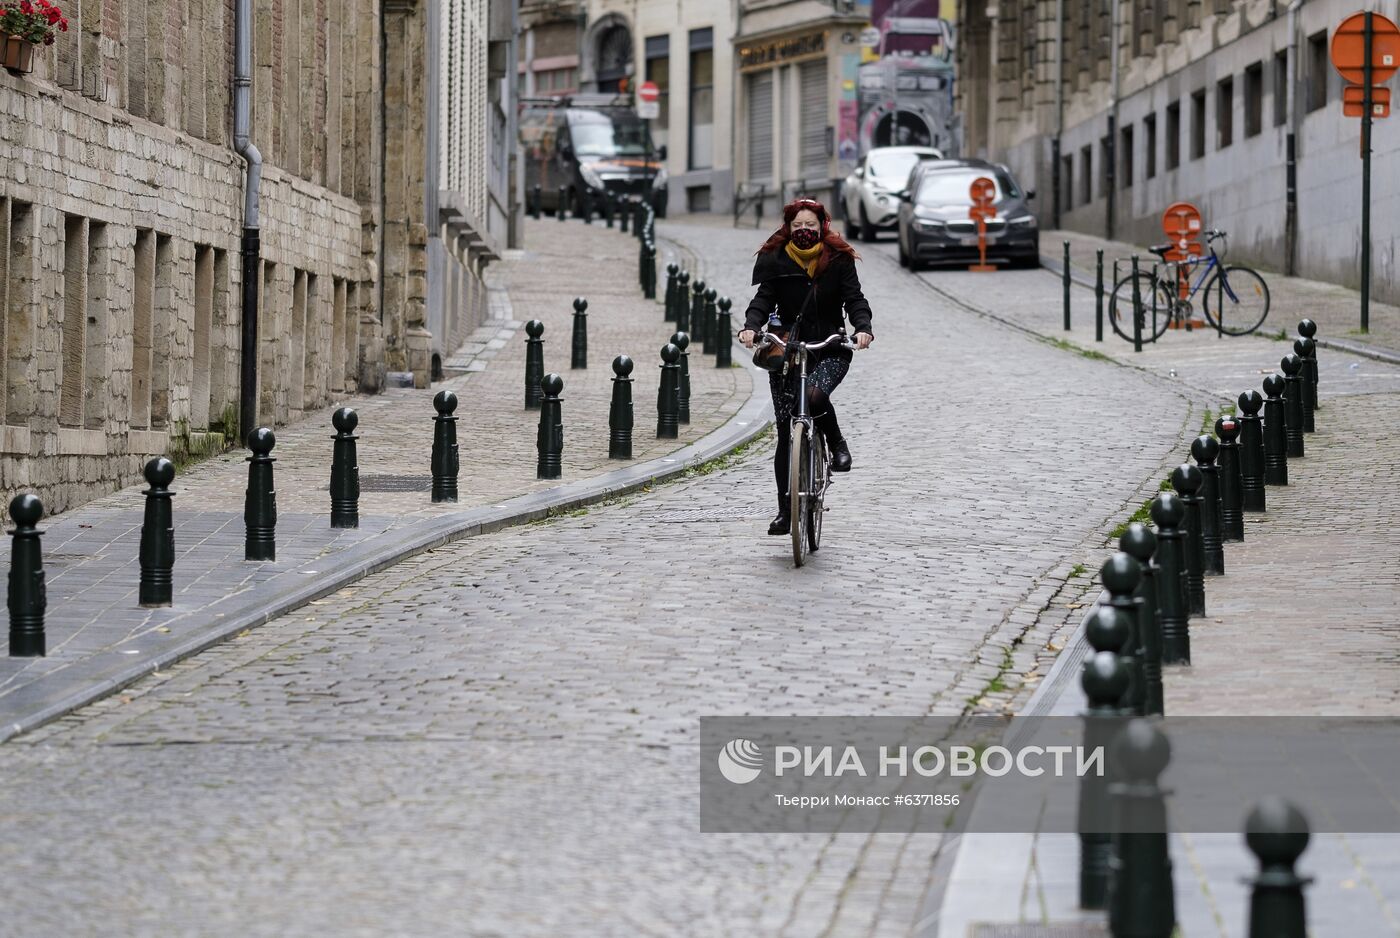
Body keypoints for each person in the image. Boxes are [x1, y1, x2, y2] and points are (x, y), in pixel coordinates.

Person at [739, 198, 874, 536]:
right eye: (797, 227)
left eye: (810, 227)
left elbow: (854, 298)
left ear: (821, 227)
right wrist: (751, 326)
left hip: (829, 346)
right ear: (789, 227)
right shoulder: (775, 257)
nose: (804, 232)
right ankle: (786, 511)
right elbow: (762, 299)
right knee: (786, 430)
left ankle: (838, 443)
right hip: (788, 349)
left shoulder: (839, 259)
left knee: (813, 396)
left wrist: (862, 328)